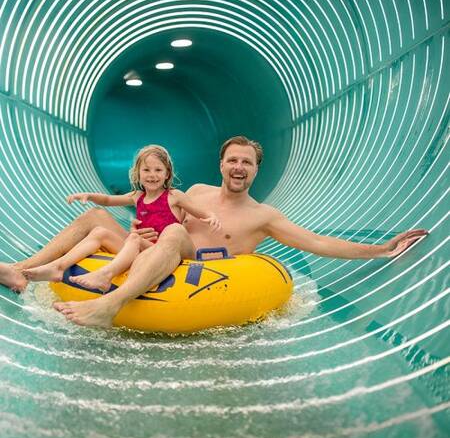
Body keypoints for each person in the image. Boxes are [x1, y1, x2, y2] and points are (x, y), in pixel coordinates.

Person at [0, 136, 427, 328]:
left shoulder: (264, 216)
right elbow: (158, 213)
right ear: (222, 164)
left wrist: (379, 249)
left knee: (171, 237)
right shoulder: (198, 192)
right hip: (155, 250)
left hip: (195, 270)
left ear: (257, 170)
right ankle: (19, 270)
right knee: (93, 220)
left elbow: (318, 242)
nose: (239, 168)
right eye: (232, 160)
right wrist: (136, 227)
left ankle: (110, 302)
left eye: (247, 162)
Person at [22, 145, 220, 293]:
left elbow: (199, 212)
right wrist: (89, 196)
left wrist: (211, 217)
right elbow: (108, 199)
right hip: (140, 250)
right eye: (147, 170)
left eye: (158, 170)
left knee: (133, 238)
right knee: (99, 232)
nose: (152, 175)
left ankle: (105, 275)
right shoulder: (137, 196)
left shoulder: (174, 196)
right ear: (138, 173)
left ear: (167, 173)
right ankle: (58, 267)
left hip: (161, 253)